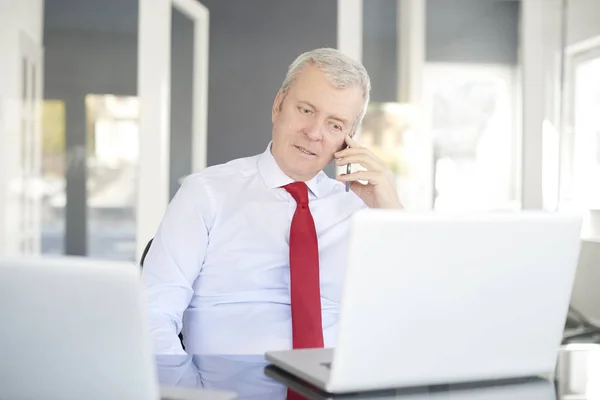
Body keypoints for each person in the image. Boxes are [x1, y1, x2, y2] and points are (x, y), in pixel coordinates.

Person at [141, 48, 402, 355]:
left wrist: (392, 209)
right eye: (306, 110)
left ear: (349, 138)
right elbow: (152, 315)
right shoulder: (206, 194)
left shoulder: (361, 212)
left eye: (335, 125)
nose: (314, 133)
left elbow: (416, 313)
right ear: (279, 105)